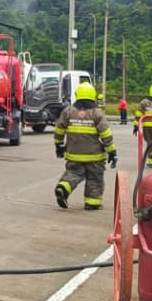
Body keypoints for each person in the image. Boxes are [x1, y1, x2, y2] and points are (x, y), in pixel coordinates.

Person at [54, 82, 117, 211]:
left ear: (77, 95)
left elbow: (59, 129)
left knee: (73, 173)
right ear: (92, 95)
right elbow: (106, 135)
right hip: (94, 157)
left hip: (73, 154)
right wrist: (112, 151)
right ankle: (92, 203)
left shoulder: (68, 111)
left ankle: (64, 187)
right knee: (95, 178)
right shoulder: (97, 113)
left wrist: (59, 145)